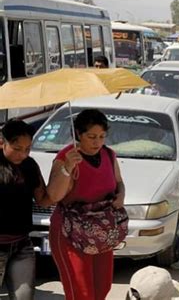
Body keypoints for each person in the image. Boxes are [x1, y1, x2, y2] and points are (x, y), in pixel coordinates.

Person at [46, 109, 126, 300]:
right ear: (78, 135)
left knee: (102, 288)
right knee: (80, 292)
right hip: (69, 232)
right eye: (91, 136)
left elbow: (118, 182)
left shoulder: (109, 155)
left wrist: (121, 194)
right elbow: (54, 196)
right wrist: (67, 168)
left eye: (101, 136)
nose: (97, 142)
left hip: (100, 232)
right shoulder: (66, 157)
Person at [0, 119, 52, 300]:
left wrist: (66, 169)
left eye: (27, 148)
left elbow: (44, 200)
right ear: (2, 142)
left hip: (22, 244)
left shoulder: (30, 165)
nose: (23, 154)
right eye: (17, 148)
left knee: (24, 297)